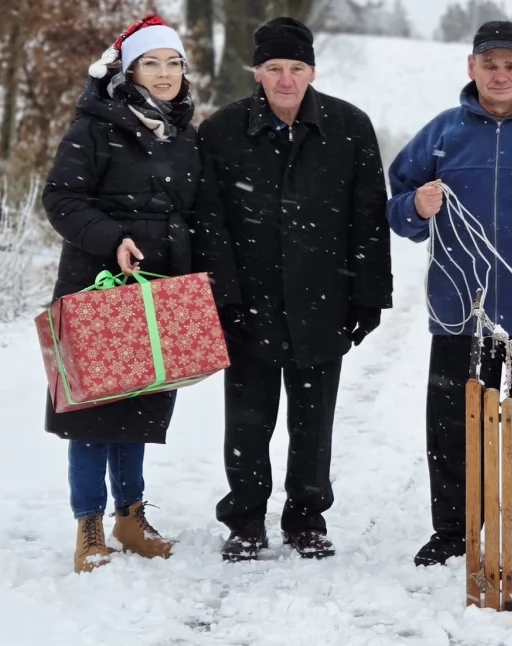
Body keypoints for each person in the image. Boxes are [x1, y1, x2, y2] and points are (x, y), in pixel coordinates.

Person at [387, 20, 512, 567]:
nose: (500, 74)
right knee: (452, 423)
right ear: (471, 67)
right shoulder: (443, 132)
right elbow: (397, 204)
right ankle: (453, 529)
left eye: (511, 64)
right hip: (461, 308)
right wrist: (415, 208)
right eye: (490, 64)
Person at [190, 17, 393, 561]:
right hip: (248, 302)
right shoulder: (222, 131)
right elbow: (210, 223)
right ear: (256, 72)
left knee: (313, 420)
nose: (285, 79)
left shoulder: (350, 127)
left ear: (312, 71)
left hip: (322, 300)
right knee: (248, 419)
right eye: (274, 68)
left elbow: (367, 217)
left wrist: (368, 297)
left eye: (296, 68)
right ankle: (246, 519)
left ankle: (306, 517)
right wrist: (224, 298)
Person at [43, 14, 197, 573]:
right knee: (90, 409)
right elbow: (62, 200)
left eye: (173, 63)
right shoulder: (94, 126)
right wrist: (115, 240)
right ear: (128, 71)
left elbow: (194, 211)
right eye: (151, 63)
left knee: (139, 403)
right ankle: (88, 527)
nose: (164, 74)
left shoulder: (183, 134)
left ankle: (130, 517)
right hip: (96, 285)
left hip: (157, 291)